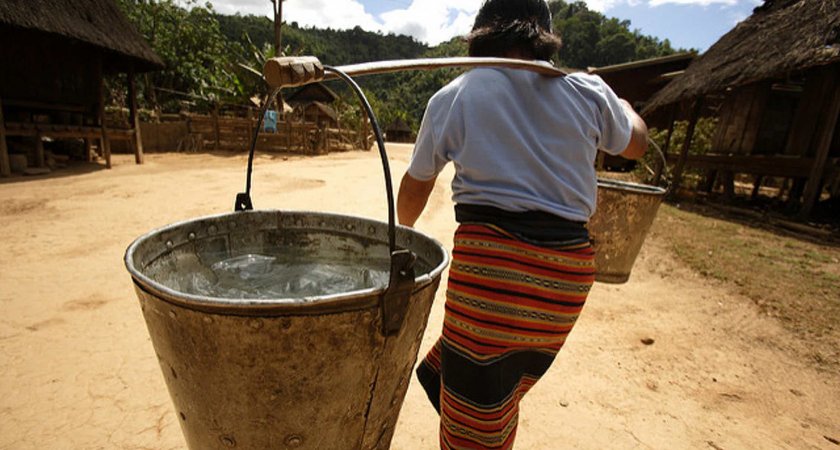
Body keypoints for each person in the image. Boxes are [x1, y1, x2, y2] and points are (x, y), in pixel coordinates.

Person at [396, 0, 648, 448]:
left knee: (474, 412)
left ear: (480, 37)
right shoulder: (587, 90)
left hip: (491, 276)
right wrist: (624, 106)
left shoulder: (455, 95)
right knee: (494, 384)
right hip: (563, 283)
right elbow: (636, 145)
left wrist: (399, 238)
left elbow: (416, 187)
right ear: (544, 38)